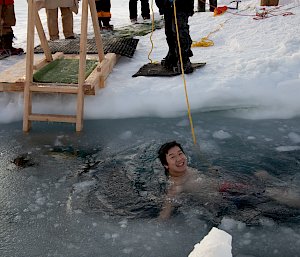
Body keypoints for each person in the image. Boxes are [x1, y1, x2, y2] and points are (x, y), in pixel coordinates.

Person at [157, 141, 300, 221]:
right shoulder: (176, 185)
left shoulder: (189, 169)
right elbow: (166, 211)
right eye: (173, 157)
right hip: (224, 202)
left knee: (270, 191)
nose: (179, 159)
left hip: (228, 188)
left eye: (180, 154)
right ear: (166, 164)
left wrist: (208, 166)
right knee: (267, 203)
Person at [156, 0, 194, 74]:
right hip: (167, 6)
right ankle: (173, 55)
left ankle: (184, 59)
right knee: (169, 32)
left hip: (181, 7)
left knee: (181, 33)